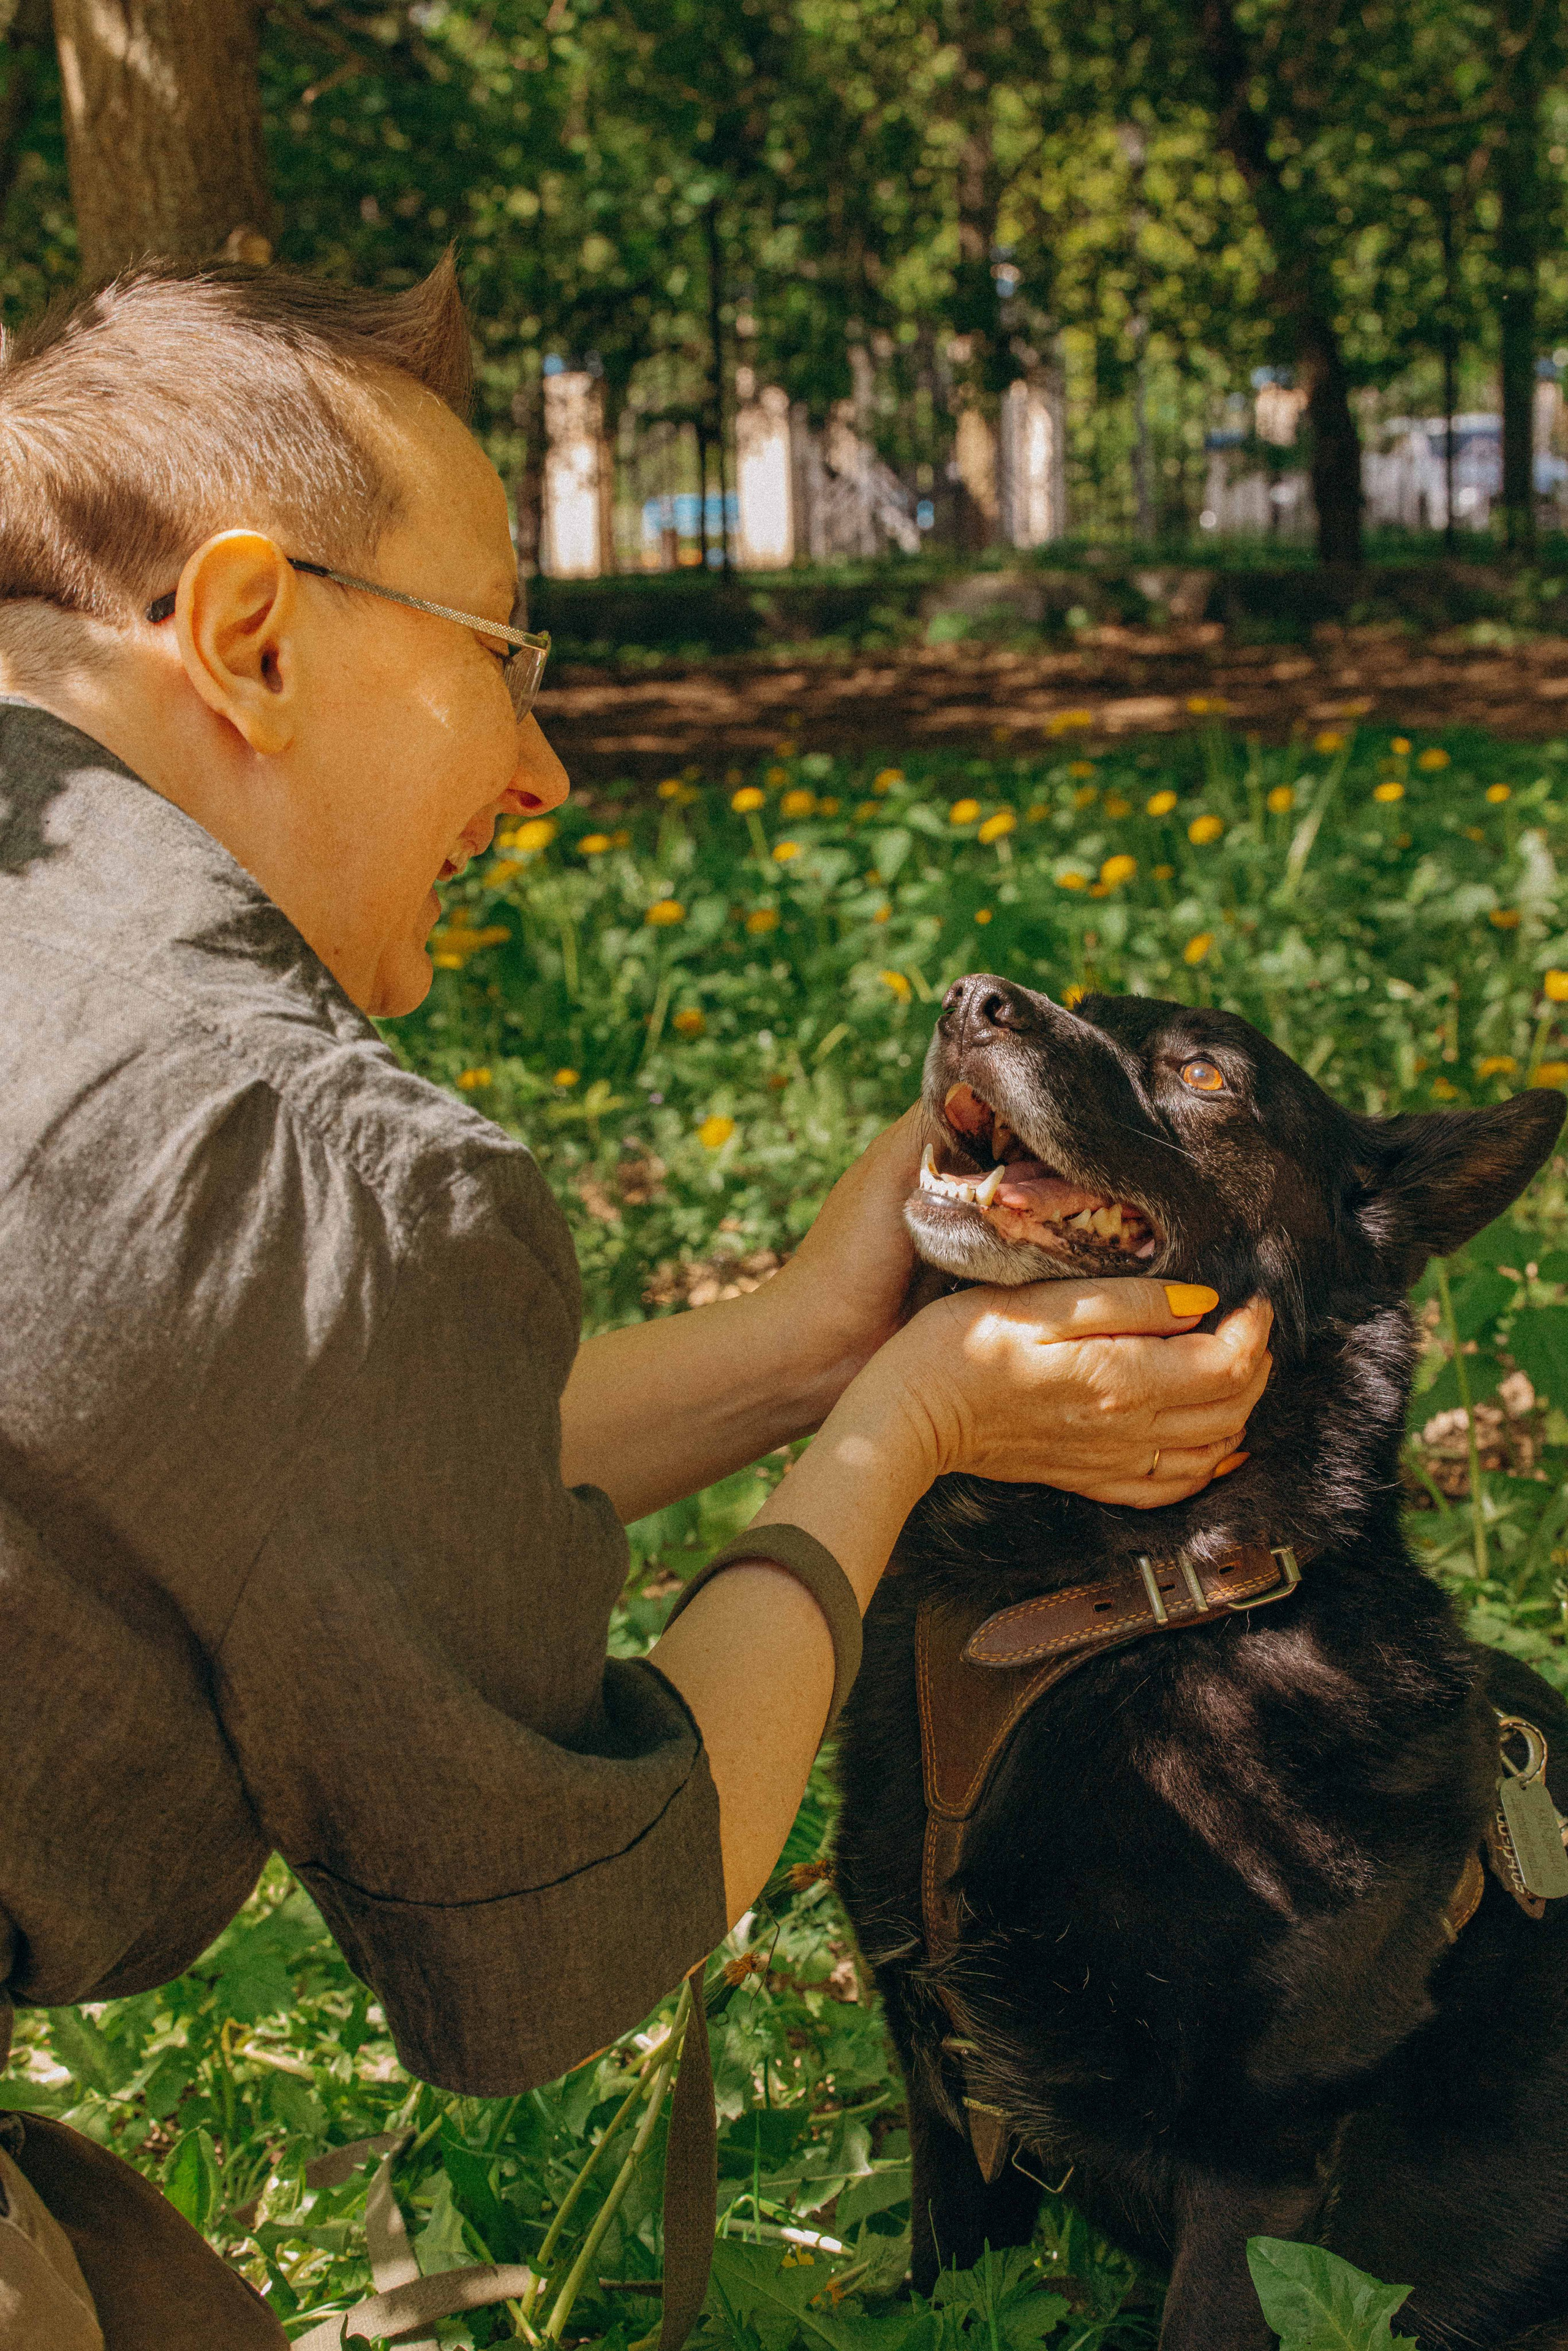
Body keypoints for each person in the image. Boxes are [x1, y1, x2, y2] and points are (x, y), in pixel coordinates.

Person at [0, 256, 1272, 2347]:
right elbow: (591, 1927)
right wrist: (897, 1444)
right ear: (246, 635)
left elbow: (223, 1460)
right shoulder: (291, 1150)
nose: (545, 768)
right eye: (510, 656)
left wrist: (801, 1341)